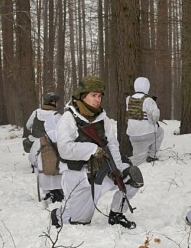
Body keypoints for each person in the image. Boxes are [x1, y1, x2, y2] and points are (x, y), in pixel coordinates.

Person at [51, 76, 143, 229]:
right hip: (78, 176)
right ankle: (58, 215)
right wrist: (92, 149)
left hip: (101, 171)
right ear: (82, 96)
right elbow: (65, 149)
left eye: (99, 96)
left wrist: (117, 169)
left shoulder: (102, 118)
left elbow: (112, 144)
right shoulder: (69, 118)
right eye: (93, 95)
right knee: (79, 221)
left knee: (132, 176)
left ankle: (116, 214)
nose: (97, 99)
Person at [26, 93, 64, 203]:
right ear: (53, 102)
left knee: (38, 162)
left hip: (37, 144)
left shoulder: (36, 112)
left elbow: (28, 126)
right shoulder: (57, 116)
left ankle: (48, 191)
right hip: (53, 146)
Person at [125, 77, 164, 165]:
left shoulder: (128, 99)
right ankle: (152, 155)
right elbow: (155, 117)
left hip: (132, 134)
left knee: (138, 155)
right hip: (146, 134)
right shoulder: (149, 100)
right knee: (160, 132)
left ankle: (137, 158)